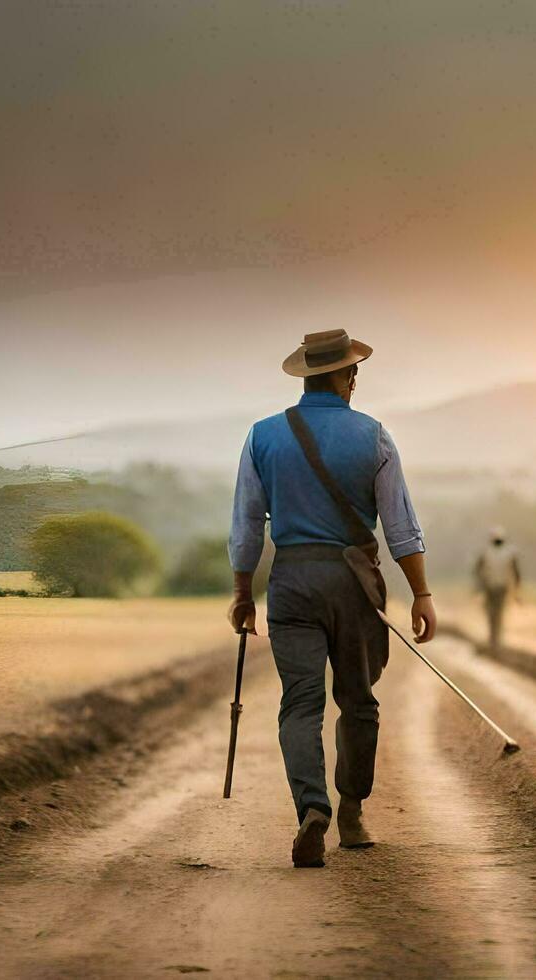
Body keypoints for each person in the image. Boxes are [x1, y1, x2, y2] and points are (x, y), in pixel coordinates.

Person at [227, 329, 437, 868]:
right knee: (358, 700)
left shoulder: (262, 437)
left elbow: (247, 525)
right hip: (353, 582)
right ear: (347, 377)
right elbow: (400, 527)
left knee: (300, 703)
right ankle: (350, 812)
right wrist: (421, 593)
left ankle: (310, 809)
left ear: (304, 376)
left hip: (292, 582)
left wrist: (241, 595)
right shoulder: (374, 437)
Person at [474, 527, 521, 649]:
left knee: (496, 613)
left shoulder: (492, 553)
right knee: (494, 613)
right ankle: (494, 638)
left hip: (499, 587)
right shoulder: (489, 553)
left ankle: (496, 639)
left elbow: (516, 572)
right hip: (492, 587)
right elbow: (478, 570)